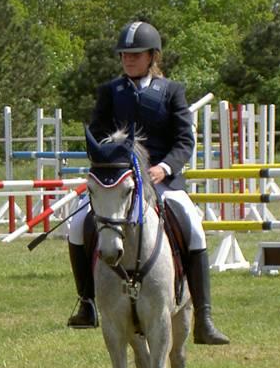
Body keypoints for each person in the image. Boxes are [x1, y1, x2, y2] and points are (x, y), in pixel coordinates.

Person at [67, 20, 229, 345]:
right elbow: (97, 134)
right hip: (122, 180)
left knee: (194, 228)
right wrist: (111, 154)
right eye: (124, 54)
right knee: (77, 224)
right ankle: (87, 303)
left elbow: (184, 140)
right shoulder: (110, 92)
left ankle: (204, 317)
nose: (128, 59)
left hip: (162, 180)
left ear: (152, 56)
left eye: (135, 54)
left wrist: (165, 168)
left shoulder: (171, 92)